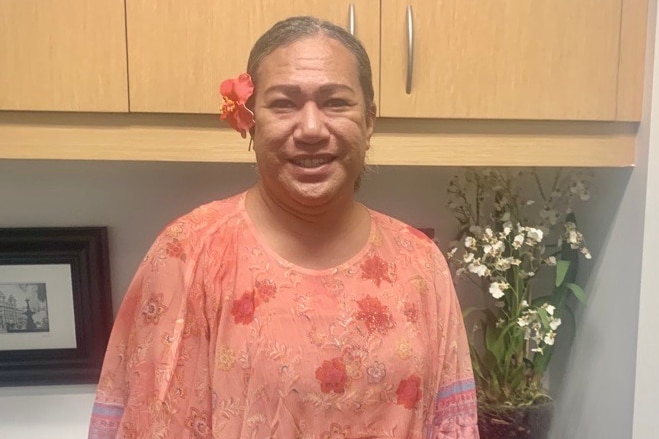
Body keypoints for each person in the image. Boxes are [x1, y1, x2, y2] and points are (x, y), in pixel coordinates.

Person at [88, 16, 479, 439]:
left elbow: (449, 426)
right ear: (250, 121)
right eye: (284, 103)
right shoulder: (189, 253)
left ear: (369, 122)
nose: (311, 129)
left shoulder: (419, 263)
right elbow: (155, 422)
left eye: (335, 102)